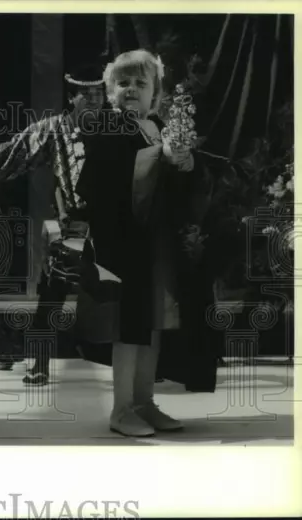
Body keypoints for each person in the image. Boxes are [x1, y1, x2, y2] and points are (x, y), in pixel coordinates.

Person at [74, 49, 213, 436]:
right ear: (109, 90)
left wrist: (184, 163)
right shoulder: (106, 126)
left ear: (156, 93)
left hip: (155, 241)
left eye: (141, 83)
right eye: (123, 83)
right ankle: (120, 408)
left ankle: (144, 401)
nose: (131, 89)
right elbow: (106, 179)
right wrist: (160, 157)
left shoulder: (154, 126)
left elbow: (173, 183)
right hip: (122, 241)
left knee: (152, 323)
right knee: (128, 327)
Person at [0, 59, 107, 385]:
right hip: (73, 220)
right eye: (87, 95)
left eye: (99, 94)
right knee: (53, 290)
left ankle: (140, 360)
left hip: (113, 221)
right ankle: (38, 360)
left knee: (122, 289)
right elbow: (17, 148)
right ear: (72, 97)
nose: (95, 101)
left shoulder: (116, 127)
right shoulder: (54, 128)